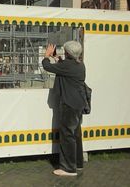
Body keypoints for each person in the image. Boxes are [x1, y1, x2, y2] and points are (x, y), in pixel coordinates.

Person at [42, 41, 86, 177]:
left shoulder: (67, 66)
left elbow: (47, 66)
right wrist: (58, 58)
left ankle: (68, 169)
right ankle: (78, 163)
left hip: (69, 105)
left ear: (67, 53)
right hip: (79, 103)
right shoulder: (80, 65)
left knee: (67, 136)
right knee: (75, 135)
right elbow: (64, 67)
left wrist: (46, 55)